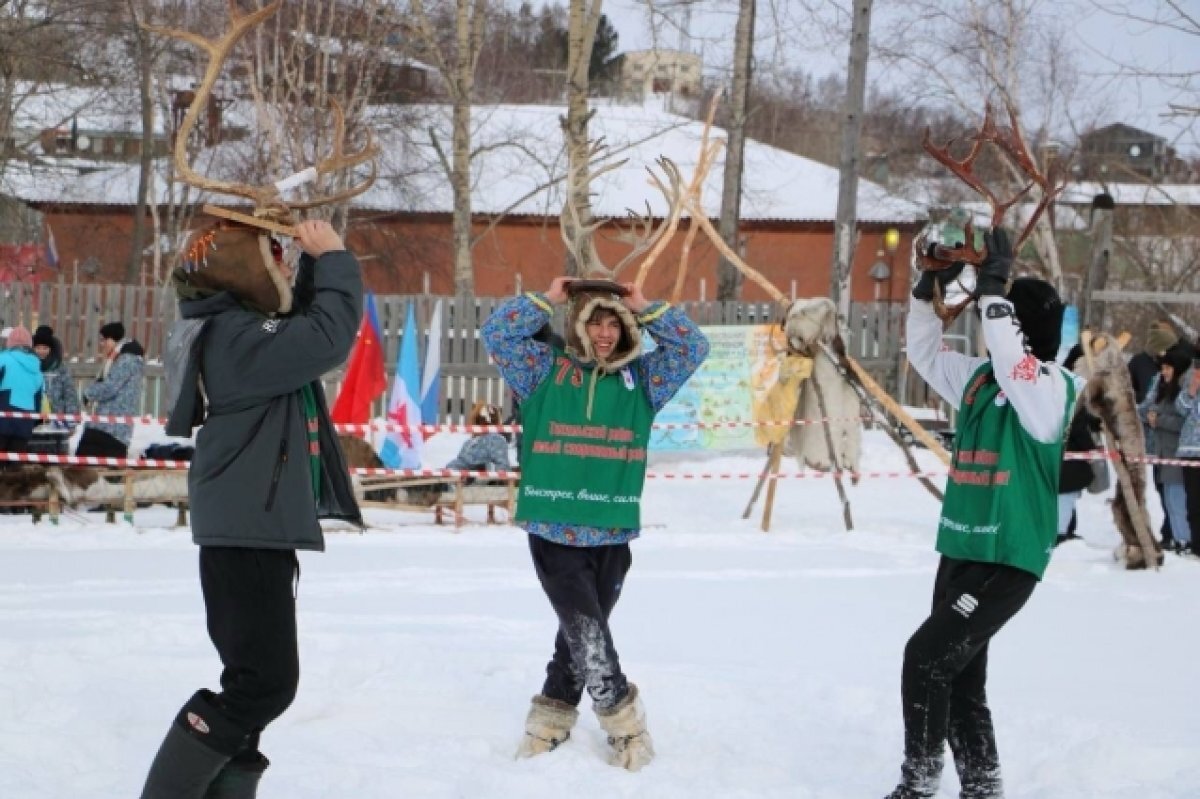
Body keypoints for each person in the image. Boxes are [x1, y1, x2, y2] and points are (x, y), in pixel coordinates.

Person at [138, 218, 363, 799]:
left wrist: (313, 266)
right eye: (276, 259)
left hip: (250, 523)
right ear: (244, 272)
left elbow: (300, 325)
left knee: (252, 683)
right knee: (264, 685)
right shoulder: (237, 337)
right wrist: (334, 257)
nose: (284, 267)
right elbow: (325, 338)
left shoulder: (233, 328)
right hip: (247, 528)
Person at [887, 228, 1083, 799]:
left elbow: (1011, 356)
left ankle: (918, 787)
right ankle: (982, 788)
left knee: (924, 658)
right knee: (961, 679)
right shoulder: (978, 379)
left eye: (1004, 320)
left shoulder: (1050, 389)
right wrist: (926, 295)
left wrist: (995, 290)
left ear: (1020, 329)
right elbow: (924, 353)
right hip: (962, 552)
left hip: (1009, 559)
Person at [482, 276, 707, 771]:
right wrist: (549, 297)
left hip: (613, 527)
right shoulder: (541, 370)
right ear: (578, 326)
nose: (604, 333)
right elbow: (497, 333)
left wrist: (645, 306)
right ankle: (625, 725)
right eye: (595, 322)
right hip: (554, 526)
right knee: (589, 635)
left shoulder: (645, 381)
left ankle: (550, 718)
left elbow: (694, 346)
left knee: (581, 635)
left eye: (614, 323)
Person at [1138, 341, 1193, 554]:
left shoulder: (1181, 393)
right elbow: (1147, 409)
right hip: (1162, 453)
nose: (1163, 372)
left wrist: (1158, 420)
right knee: (1169, 501)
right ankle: (1178, 538)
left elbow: (1183, 423)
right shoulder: (1161, 389)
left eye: (1167, 368)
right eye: (1162, 368)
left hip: (1176, 454)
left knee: (1178, 502)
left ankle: (1184, 540)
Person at [1129, 319, 1179, 548]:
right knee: (1161, 485)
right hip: (1154, 437)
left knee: (1174, 488)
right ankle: (1171, 529)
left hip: (1173, 439)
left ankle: (1174, 531)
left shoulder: (1179, 369)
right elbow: (1140, 395)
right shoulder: (1140, 363)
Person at [77, 321, 144, 458]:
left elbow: (110, 387)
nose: (102, 344)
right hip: (105, 425)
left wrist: (88, 393)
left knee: (85, 468)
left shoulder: (126, 360)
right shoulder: (119, 359)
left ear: (114, 340)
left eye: (104, 340)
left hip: (112, 428)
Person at [1056, 344, 1100, 546]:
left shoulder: (1059, 382)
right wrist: (1092, 449)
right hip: (1070, 455)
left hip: (1060, 452)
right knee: (1066, 494)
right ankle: (1061, 533)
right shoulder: (1073, 389)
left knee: (1065, 495)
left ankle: (1067, 529)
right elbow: (1077, 424)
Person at [0, 325, 45, 458]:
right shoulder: (37, 369)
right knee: (15, 471)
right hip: (24, 425)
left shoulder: (3, 360)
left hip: (2, 420)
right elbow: (38, 402)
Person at [32, 325, 82, 432]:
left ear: (51, 348)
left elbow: (70, 394)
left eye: (45, 348)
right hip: (33, 418)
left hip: (57, 420)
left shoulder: (60, 368)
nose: (41, 351)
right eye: (38, 348)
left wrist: (71, 418)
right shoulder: (30, 367)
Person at [447, 401, 512, 473]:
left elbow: (460, 461)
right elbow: (502, 465)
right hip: (472, 476)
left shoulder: (471, 443)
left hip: (478, 477)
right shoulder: (496, 440)